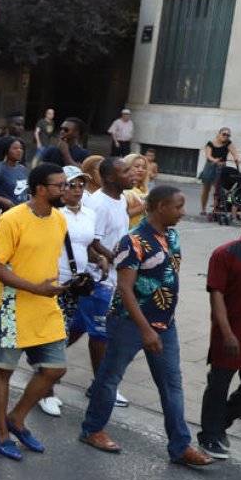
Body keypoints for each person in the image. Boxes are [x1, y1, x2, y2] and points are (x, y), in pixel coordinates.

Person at [79, 186, 214, 467]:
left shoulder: (172, 236)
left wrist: (160, 325)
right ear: (160, 207)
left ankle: (180, 446)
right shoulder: (133, 242)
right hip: (130, 323)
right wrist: (146, 330)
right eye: (178, 206)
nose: (183, 211)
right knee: (109, 378)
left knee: (172, 385)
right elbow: (126, 290)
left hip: (165, 323)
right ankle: (92, 430)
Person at [0, 163, 68, 461]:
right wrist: (34, 287)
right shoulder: (12, 219)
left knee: (55, 369)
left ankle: (17, 418)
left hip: (46, 306)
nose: (65, 190)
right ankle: (1, 433)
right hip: (13, 308)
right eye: (60, 185)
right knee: (3, 372)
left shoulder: (59, 219)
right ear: (41, 189)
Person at [39, 166, 110, 418]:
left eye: (81, 185)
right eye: (71, 185)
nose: (77, 190)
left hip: (75, 285)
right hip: (53, 283)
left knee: (62, 333)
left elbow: (84, 244)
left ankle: (43, 383)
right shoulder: (53, 213)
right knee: (54, 337)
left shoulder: (89, 214)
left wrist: (98, 258)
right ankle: (45, 391)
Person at [196, 211, 241, 457]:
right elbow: (216, 295)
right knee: (219, 384)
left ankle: (219, 422)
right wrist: (227, 333)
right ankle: (209, 436)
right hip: (230, 333)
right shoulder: (225, 254)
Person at [84, 157, 133, 408]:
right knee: (101, 334)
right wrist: (117, 258)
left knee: (80, 327)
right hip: (98, 278)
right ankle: (102, 386)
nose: (132, 173)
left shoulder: (121, 198)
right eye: (126, 171)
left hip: (114, 277)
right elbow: (92, 241)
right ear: (111, 178)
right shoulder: (98, 204)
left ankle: (44, 367)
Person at [199, 127, 241, 216]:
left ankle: (217, 207)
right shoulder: (210, 143)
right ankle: (203, 209)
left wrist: (236, 158)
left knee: (219, 189)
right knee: (206, 188)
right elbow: (208, 155)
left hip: (222, 167)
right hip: (210, 167)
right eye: (224, 134)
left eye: (228, 135)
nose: (226, 136)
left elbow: (234, 152)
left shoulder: (228, 143)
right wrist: (214, 160)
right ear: (219, 134)